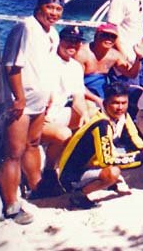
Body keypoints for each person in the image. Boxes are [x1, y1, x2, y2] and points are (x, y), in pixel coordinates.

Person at [0, 0, 64, 224]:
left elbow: (45, 67)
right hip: (21, 103)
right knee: (13, 153)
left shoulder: (53, 34)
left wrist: (48, 96)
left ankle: (36, 187)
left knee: (33, 144)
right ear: (39, 8)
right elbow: (11, 66)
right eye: (50, 8)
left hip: (39, 101)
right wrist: (19, 98)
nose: (54, 13)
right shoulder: (25, 27)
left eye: (58, 10)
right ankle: (11, 205)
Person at [57, 82, 143, 210]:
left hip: (92, 162)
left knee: (122, 152)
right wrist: (141, 157)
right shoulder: (101, 124)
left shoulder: (122, 116)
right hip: (72, 174)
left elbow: (133, 136)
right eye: (115, 103)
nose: (120, 107)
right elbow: (107, 160)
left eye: (124, 103)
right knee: (113, 172)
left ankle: (99, 180)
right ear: (105, 103)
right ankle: (78, 195)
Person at [30, 26, 98, 199]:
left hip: (58, 113)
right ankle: (50, 170)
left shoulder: (75, 66)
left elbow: (78, 98)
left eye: (76, 41)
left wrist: (85, 116)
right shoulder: (47, 61)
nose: (72, 44)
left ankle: (76, 160)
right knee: (63, 133)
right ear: (60, 40)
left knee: (92, 111)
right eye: (68, 40)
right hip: (41, 118)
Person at [77, 23, 140, 100]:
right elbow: (75, 84)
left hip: (101, 95)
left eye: (113, 36)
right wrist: (97, 100)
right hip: (81, 94)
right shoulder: (82, 54)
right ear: (96, 36)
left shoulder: (114, 55)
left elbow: (131, 74)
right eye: (105, 35)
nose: (109, 39)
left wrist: (139, 58)